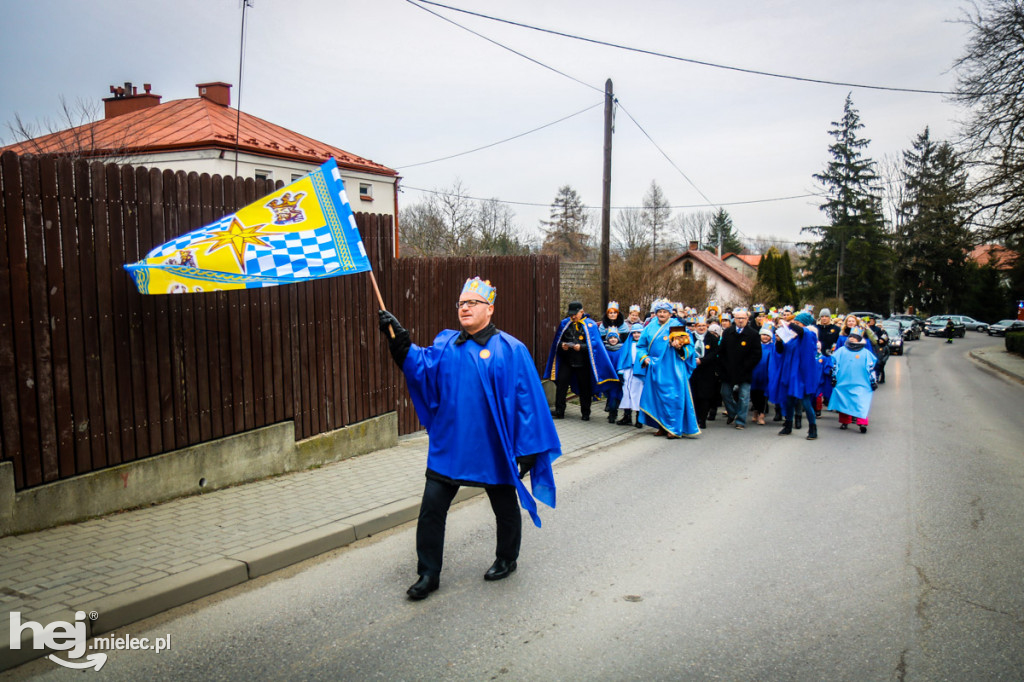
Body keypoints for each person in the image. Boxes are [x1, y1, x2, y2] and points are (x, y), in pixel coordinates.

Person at [377, 277, 561, 600]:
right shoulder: (447, 344)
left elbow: (529, 401)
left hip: (493, 447)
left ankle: (507, 558)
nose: (464, 308)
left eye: (471, 303)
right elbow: (420, 366)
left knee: (504, 507)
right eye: (461, 303)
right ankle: (428, 572)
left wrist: (529, 449)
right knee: (431, 509)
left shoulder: (511, 350)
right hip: (450, 447)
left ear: (489, 309)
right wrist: (400, 341)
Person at [544, 301, 618, 421]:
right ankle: (559, 410)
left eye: (575, 314)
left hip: (583, 363)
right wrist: (562, 346)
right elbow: (556, 344)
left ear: (581, 312)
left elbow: (596, 347)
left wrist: (581, 347)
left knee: (585, 388)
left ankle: (585, 412)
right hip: (567, 361)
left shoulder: (591, 325)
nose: (573, 317)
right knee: (561, 386)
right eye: (571, 314)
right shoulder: (565, 324)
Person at [638, 327, 701, 438]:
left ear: (669, 313)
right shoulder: (649, 328)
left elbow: (689, 347)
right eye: (660, 311)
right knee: (657, 398)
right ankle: (661, 426)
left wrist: (680, 347)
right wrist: (644, 357)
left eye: (665, 311)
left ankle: (674, 429)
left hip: (674, 368)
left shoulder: (678, 326)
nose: (662, 313)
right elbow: (641, 346)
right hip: (656, 368)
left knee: (674, 398)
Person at [773, 311, 820, 439]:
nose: (794, 325)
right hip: (790, 374)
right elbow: (781, 351)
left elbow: (801, 331)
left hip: (803, 375)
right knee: (789, 401)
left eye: (797, 323)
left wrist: (788, 323)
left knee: (805, 402)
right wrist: (778, 341)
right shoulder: (792, 338)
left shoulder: (809, 335)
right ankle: (788, 425)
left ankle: (812, 428)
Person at [716, 307, 762, 430]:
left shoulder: (753, 334)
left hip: (745, 371)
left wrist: (746, 366)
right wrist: (723, 366)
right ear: (734, 319)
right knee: (725, 393)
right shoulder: (728, 332)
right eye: (738, 318)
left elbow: (757, 354)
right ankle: (732, 412)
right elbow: (721, 351)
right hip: (728, 370)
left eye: (743, 318)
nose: (740, 320)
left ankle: (741, 420)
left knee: (744, 396)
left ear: (747, 319)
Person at [828, 326, 877, 433]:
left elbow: (871, 368)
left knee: (861, 402)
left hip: (861, 382)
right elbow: (835, 365)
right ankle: (845, 421)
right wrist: (834, 377)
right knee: (844, 401)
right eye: (851, 336)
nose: (852, 339)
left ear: (859, 339)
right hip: (843, 381)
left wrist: (873, 380)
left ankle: (862, 423)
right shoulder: (841, 351)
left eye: (855, 337)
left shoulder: (865, 353)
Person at [688, 315, 720, 430]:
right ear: (695, 327)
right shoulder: (690, 338)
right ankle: (695, 418)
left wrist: (702, 360)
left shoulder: (712, 338)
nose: (701, 328)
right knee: (694, 394)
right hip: (693, 370)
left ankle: (703, 418)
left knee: (704, 396)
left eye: (703, 326)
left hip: (707, 370)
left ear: (707, 326)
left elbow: (714, 352)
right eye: (698, 326)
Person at [616, 323, 645, 427]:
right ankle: (627, 416)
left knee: (638, 394)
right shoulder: (627, 345)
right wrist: (621, 372)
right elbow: (623, 358)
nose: (636, 335)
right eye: (634, 333)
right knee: (626, 393)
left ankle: (639, 418)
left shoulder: (645, 346)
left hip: (639, 372)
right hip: (628, 370)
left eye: (639, 333)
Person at [750, 324, 774, 425]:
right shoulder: (755, 345)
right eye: (763, 334)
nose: (765, 337)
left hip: (766, 374)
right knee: (754, 394)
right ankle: (756, 411)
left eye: (767, 335)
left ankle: (761, 414)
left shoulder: (773, 347)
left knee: (763, 395)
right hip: (754, 373)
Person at [602, 330, 625, 423]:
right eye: (610, 338)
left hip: (620, 376)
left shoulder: (622, 349)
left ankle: (615, 413)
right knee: (611, 395)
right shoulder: (604, 350)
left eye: (615, 337)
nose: (613, 340)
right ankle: (612, 412)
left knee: (617, 395)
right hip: (609, 377)